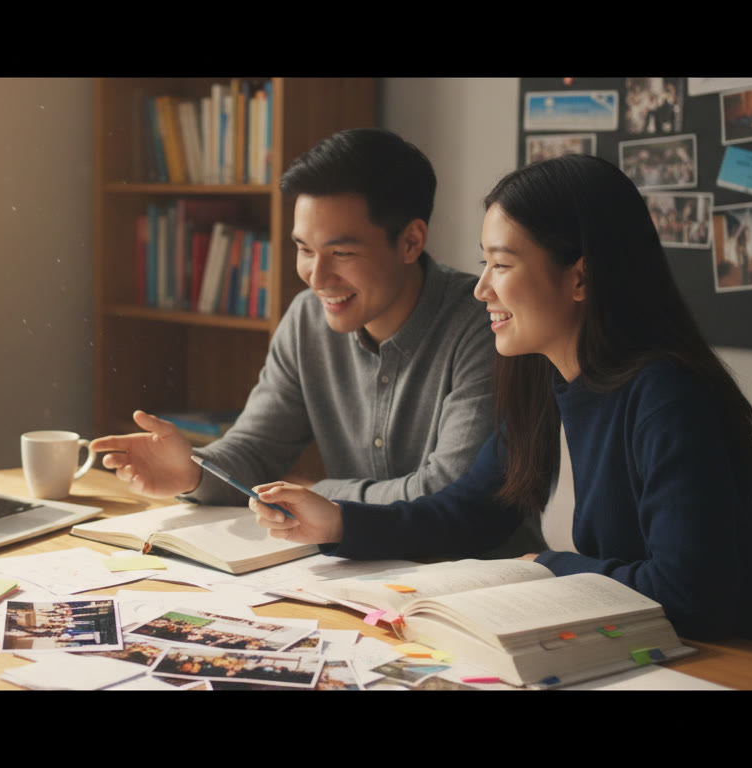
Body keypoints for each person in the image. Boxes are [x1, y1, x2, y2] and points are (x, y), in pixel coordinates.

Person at [249, 154, 752, 643]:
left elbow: (691, 598)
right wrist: (340, 522)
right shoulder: (541, 382)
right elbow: (468, 511)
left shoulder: (665, 397)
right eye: (484, 264)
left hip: (710, 666)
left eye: (501, 265)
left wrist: (548, 566)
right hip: (607, 649)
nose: (482, 289)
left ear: (580, 277)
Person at [90, 127, 543, 558]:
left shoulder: (485, 325)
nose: (317, 277)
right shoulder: (308, 318)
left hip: (473, 578)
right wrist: (192, 471)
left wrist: (321, 493)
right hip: (352, 572)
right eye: (305, 250)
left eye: (341, 253)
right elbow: (256, 449)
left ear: (410, 241)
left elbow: (445, 494)